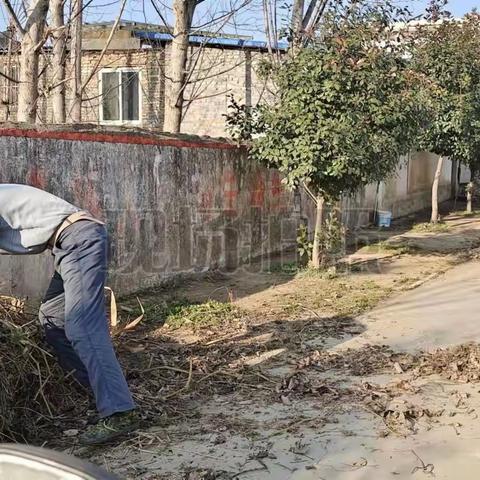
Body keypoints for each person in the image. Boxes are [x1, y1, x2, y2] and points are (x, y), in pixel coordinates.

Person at [0, 183, 138, 445]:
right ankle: (101, 394)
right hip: (69, 244)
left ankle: (121, 412)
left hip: (78, 239)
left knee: (81, 326)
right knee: (52, 317)